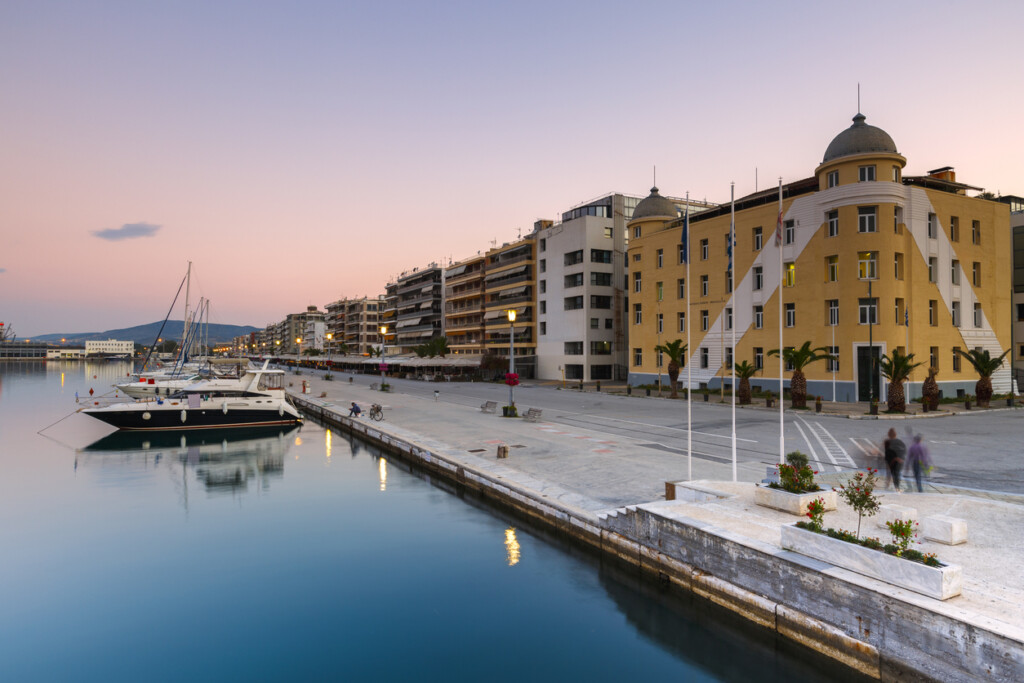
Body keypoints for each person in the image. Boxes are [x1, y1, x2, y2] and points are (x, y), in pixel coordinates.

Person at [883, 427, 907, 492]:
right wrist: (901, 458)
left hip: (891, 460)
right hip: (899, 460)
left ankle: (888, 486)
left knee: (890, 474)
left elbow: (887, 451)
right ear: (895, 435)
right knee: (897, 473)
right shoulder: (900, 442)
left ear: (889, 435)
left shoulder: (887, 442)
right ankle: (897, 487)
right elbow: (904, 450)